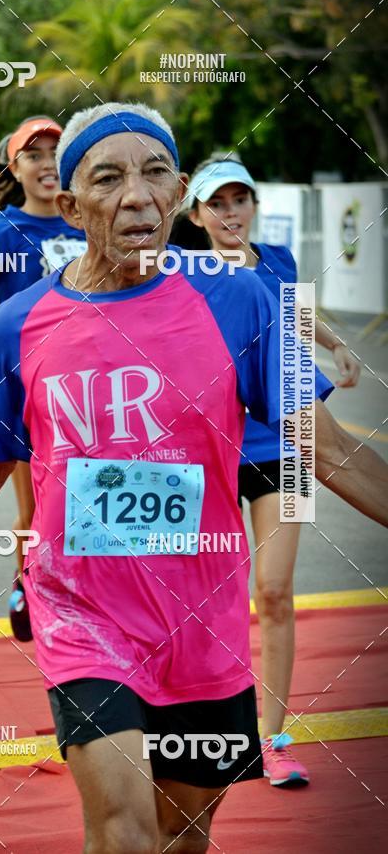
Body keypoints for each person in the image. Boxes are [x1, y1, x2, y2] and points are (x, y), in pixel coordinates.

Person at [0, 103, 388, 854]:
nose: (135, 195)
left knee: (183, 831)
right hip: (84, 617)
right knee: (123, 832)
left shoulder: (239, 301)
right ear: (72, 207)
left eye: (152, 175)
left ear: (178, 193)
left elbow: (330, 448)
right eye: (107, 178)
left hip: (201, 622)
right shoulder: (23, 321)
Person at [186, 153, 361, 787]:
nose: (232, 212)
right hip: (206, 452)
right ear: (196, 212)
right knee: (203, 598)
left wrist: (333, 340)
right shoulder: (183, 272)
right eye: (218, 203)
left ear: (253, 204)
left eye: (241, 200)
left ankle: (274, 739)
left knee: (276, 591)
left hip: (283, 446)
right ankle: (197, 734)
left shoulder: (280, 260)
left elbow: (292, 312)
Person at [0, 116, 86, 637]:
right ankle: (26, 585)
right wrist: (32, 330)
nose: (48, 162)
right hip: (31, 392)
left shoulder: (88, 220)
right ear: (16, 167)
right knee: (36, 508)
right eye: (35, 154)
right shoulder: (1, 232)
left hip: (96, 389)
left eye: (56, 151)